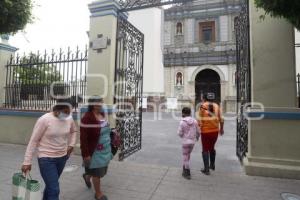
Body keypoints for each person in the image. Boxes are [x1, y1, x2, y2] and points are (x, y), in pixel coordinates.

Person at [21, 98, 77, 200]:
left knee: (51, 186)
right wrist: (26, 161)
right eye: (65, 111)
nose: (68, 114)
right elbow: (33, 140)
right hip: (46, 159)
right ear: (57, 109)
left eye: (70, 111)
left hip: (62, 157)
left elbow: (73, 131)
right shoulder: (44, 120)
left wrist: (71, 145)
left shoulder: (69, 118)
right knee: (54, 189)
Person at [80, 96, 113, 200]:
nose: (102, 104)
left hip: (105, 149)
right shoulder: (87, 118)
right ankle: (98, 194)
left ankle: (87, 176)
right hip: (94, 151)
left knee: (101, 171)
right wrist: (86, 154)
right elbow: (83, 138)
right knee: (97, 173)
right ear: (94, 105)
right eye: (100, 102)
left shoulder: (102, 114)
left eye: (102, 102)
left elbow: (105, 129)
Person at [198, 93, 224, 175]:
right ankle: (212, 165)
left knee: (205, 149)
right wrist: (221, 129)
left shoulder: (202, 106)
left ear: (205, 98)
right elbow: (222, 119)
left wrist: (199, 127)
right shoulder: (217, 106)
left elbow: (199, 120)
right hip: (215, 131)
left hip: (205, 132)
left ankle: (206, 169)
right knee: (212, 147)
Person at [178, 107, 199, 180]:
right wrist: (197, 137)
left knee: (185, 156)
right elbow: (198, 131)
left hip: (185, 142)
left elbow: (179, 133)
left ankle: (187, 172)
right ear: (190, 113)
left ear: (183, 113)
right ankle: (184, 168)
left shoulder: (182, 122)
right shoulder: (195, 121)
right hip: (192, 142)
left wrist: (182, 136)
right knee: (188, 155)